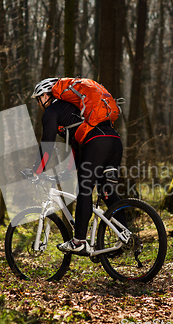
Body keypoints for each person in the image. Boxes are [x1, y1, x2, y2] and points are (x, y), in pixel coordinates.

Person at [23, 78, 124, 256]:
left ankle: (79, 241)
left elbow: (47, 145)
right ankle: (125, 236)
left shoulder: (52, 112)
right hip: (114, 141)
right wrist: (64, 173)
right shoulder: (74, 111)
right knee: (107, 192)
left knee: (84, 190)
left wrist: (35, 171)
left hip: (97, 143)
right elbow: (77, 148)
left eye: (38, 99)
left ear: (45, 96)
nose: (39, 104)